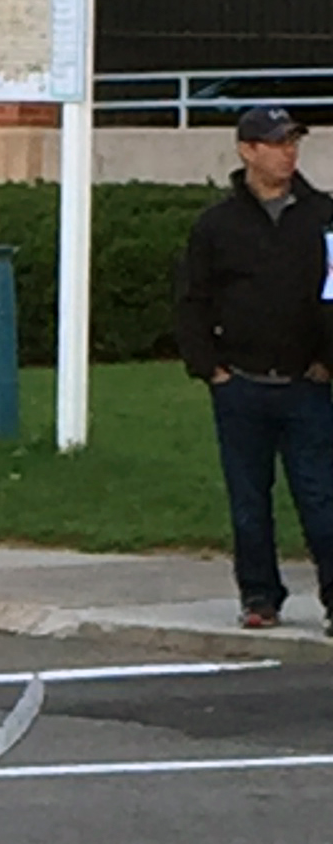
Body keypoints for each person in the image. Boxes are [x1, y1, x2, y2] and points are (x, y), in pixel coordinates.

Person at [173, 105, 333, 635]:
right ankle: (260, 596)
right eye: (276, 142)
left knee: (320, 496)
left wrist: (327, 361)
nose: (287, 152)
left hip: (305, 385)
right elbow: (193, 300)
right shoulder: (217, 225)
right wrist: (209, 367)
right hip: (240, 384)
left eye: (292, 142)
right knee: (248, 500)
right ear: (247, 151)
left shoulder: (324, 216)